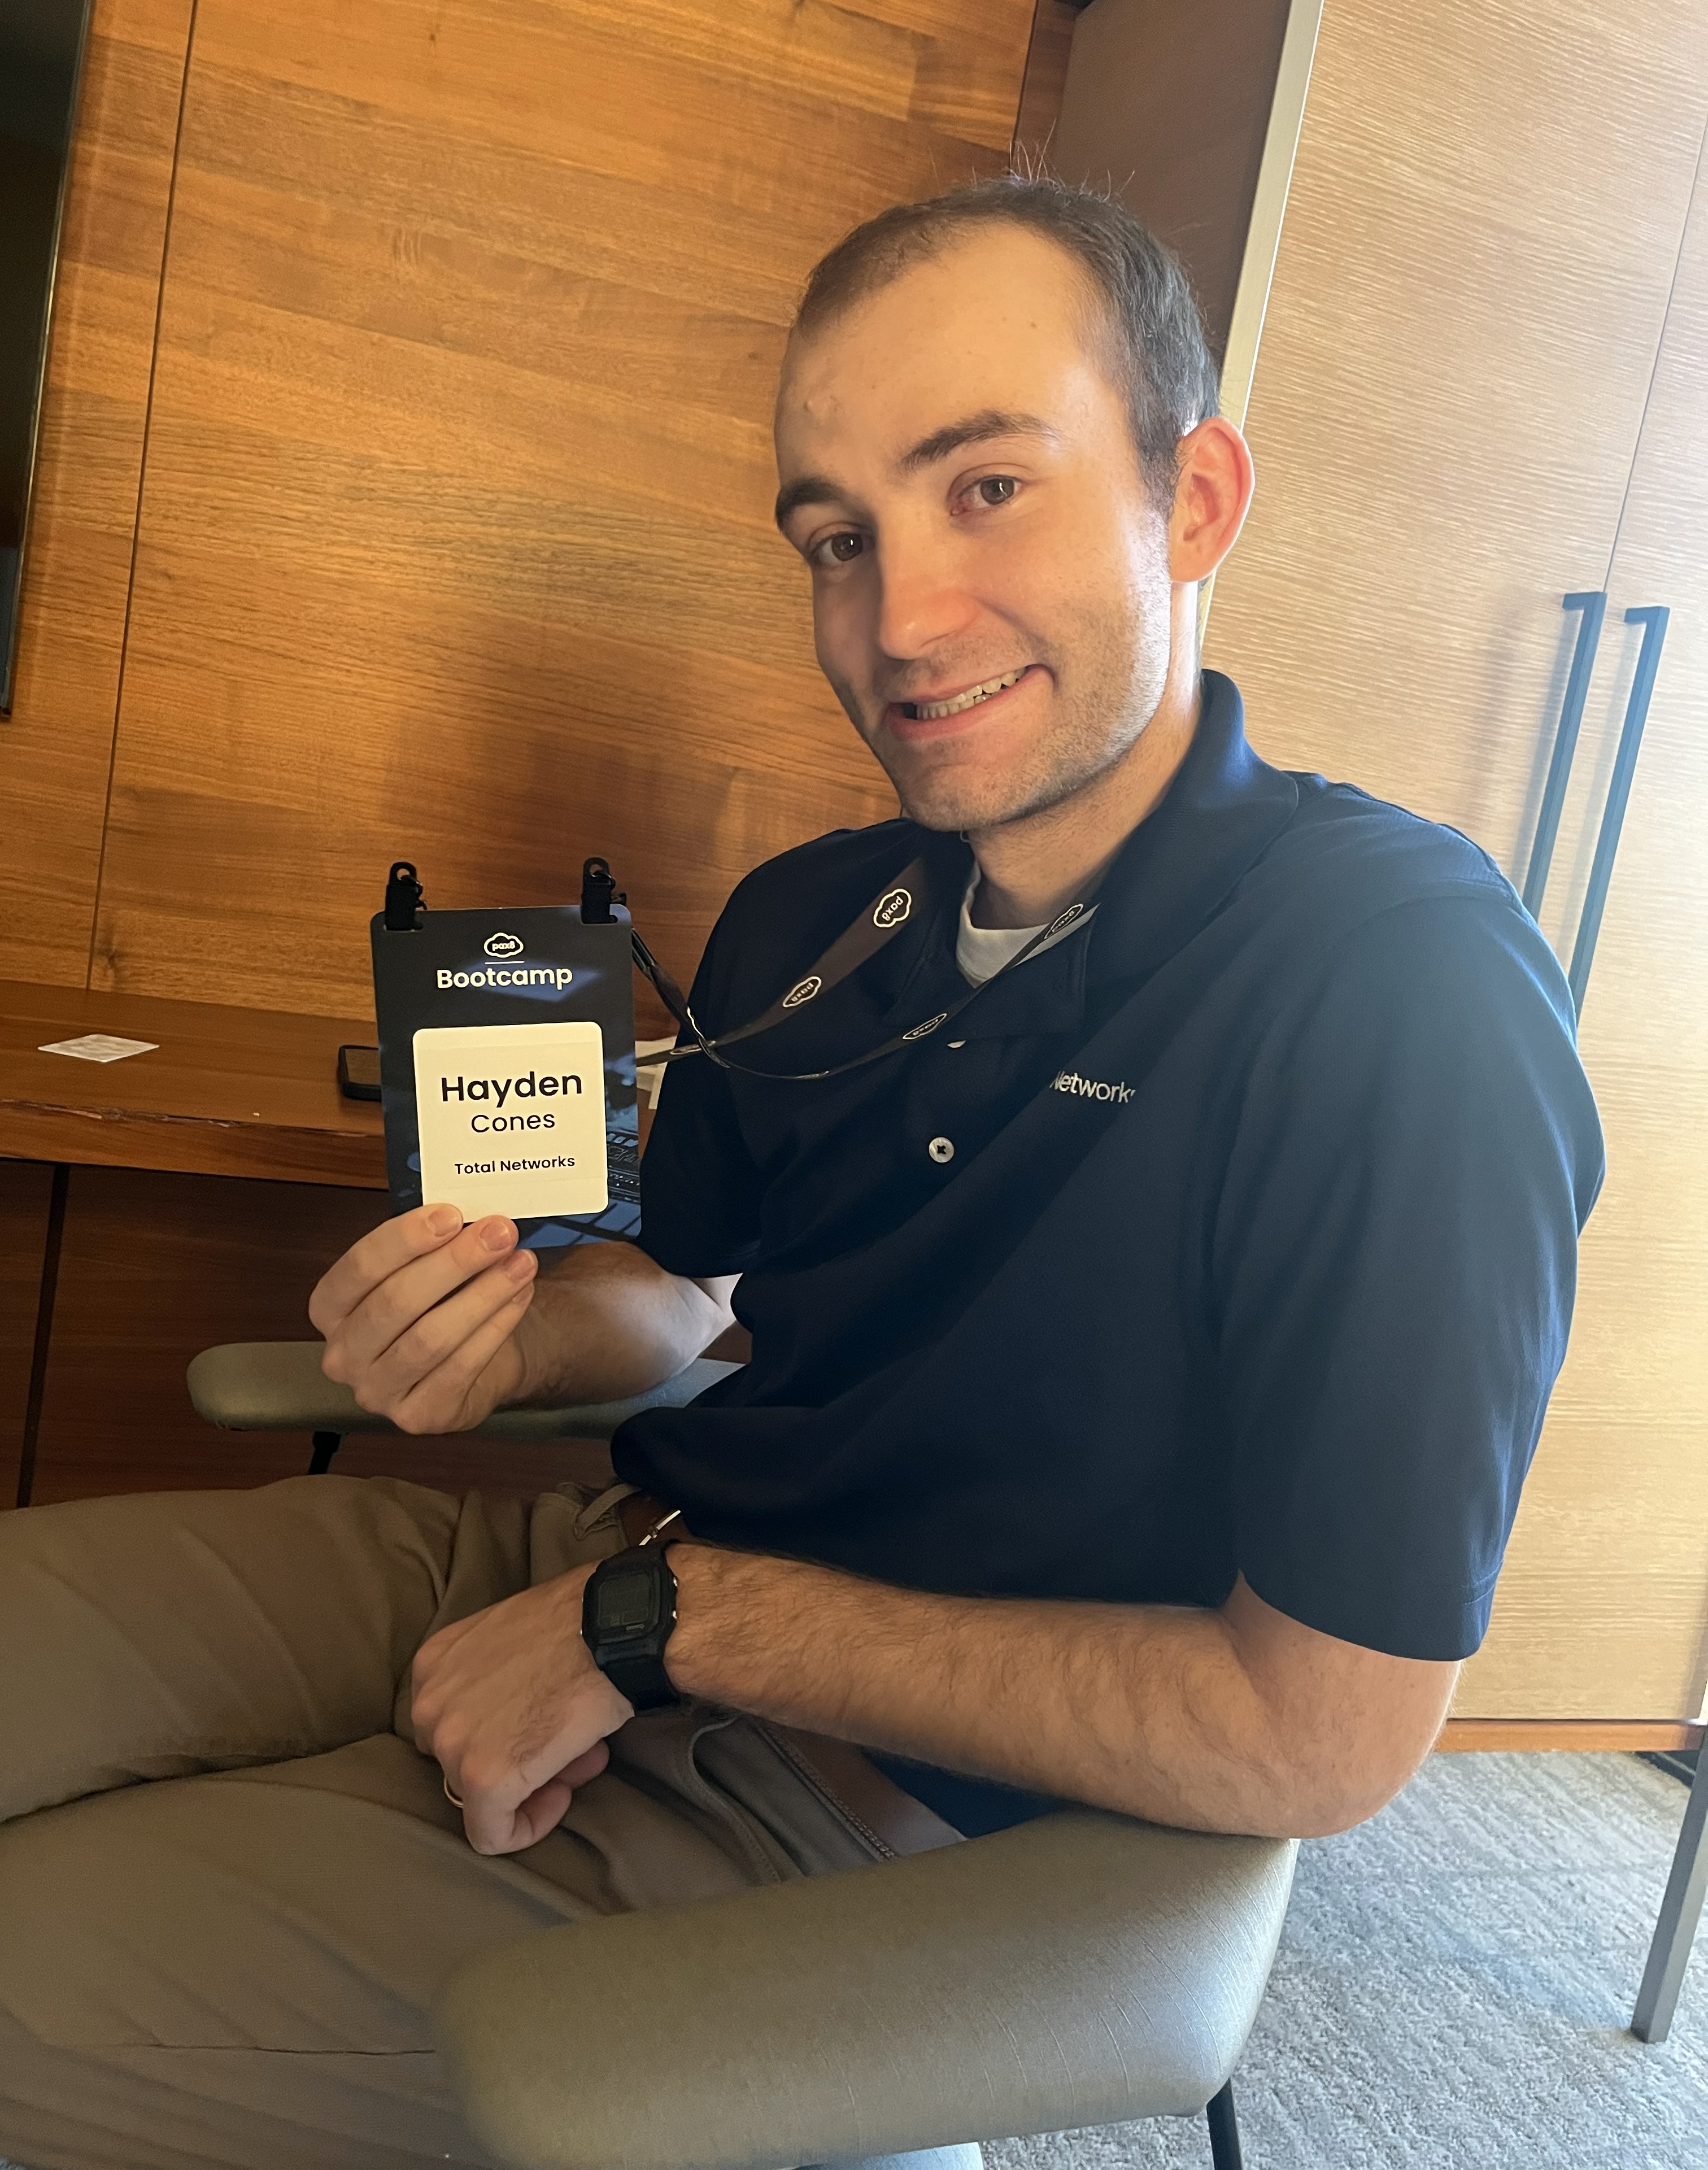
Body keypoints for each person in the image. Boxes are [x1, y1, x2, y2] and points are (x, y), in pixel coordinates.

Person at [0, 177, 1604, 2170]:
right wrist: (503, 1338)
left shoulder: (1397, 994)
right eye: (837, 537)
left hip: (850, 1793)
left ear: (1195, 501)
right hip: (608, 1558)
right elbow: (686, 1295)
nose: (898, 623)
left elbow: (1324, 1735)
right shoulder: (818, 915)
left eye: (987, 487)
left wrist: (665, 1636)